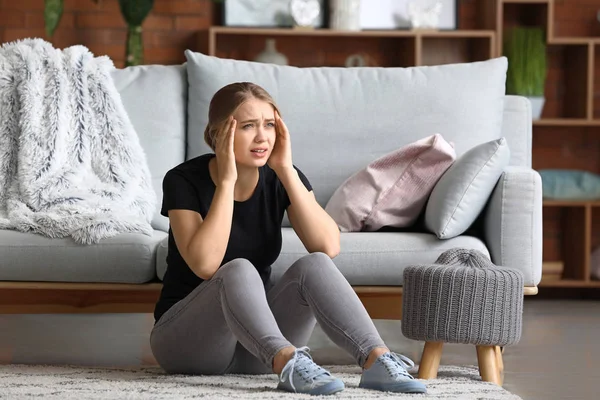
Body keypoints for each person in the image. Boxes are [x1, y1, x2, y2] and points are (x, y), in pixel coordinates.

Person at [150, 82, 427, 396]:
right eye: (248, 126)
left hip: (257, 348)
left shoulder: (281, 176)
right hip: (188, 345)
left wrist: (283, 169)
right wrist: (227, 182)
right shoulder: (183, 180)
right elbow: (205, 264)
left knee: (315, 264)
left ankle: (376, 360)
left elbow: (329, 246)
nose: (262, 137)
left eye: (269, 125)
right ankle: (288, 363)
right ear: (219, 134)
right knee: (238, 269)